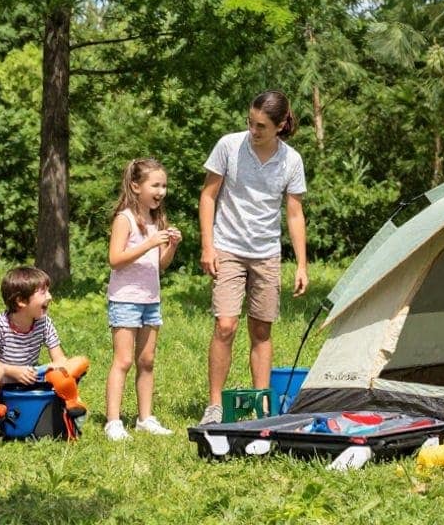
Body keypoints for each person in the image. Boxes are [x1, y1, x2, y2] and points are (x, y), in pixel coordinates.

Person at [198, 90, 308, 425]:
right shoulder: (229, 146)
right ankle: (215, 406)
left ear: (280, 125)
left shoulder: (291, 160)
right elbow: (208, 195)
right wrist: (207, 245)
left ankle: (261, 407)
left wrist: (301, 264)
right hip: (228, 246)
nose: (253, 130)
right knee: (226, 325)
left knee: (261, 330)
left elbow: (294, 214)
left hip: (266, 253)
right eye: (250, 122)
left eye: (261, 125)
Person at [103, 158, 182, 441]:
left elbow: (159, 265)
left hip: (151, 299)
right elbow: (115, 260)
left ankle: (145, 418)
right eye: (155, 185)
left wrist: (170, 247)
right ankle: (113, 421)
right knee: (123, 360)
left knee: (147, 360)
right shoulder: (124, 219)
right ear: (136, 186)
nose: (161, 191)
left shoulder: (155, 220)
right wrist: (148, 243)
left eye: (164, 186)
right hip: (125, 299)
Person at [0, 265, 76, 449]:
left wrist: (57, 369)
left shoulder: (44, 322)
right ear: (21, 301)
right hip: (4, 376)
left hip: (31, 374)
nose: (50, 297)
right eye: (43, 293)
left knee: (65, 370)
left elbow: (60, 358)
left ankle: (70, 415)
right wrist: (11, 370)